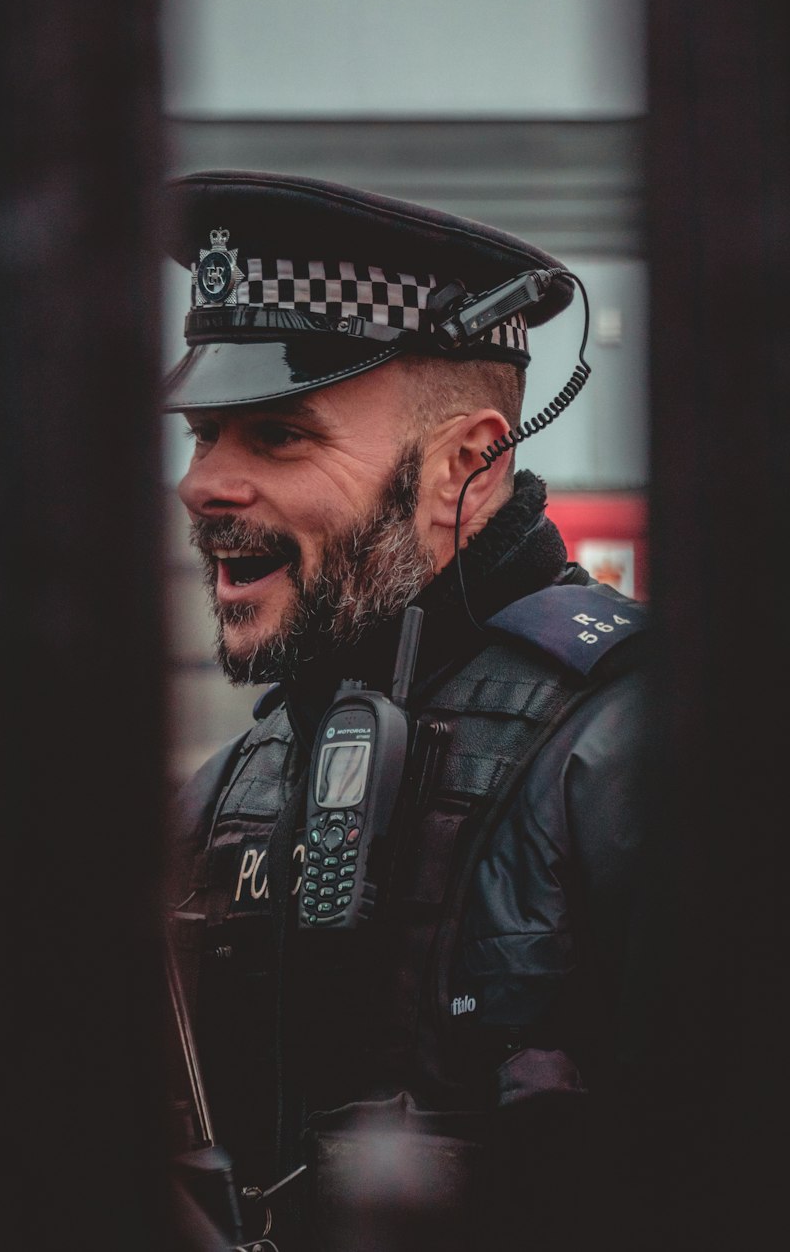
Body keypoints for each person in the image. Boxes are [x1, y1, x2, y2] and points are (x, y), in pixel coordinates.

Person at [166, 172, 647, 1252]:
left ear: (466, 467)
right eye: (204, 435)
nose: (204, 485)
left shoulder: (642, 752)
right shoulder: (227, 786)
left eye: (278, 436)